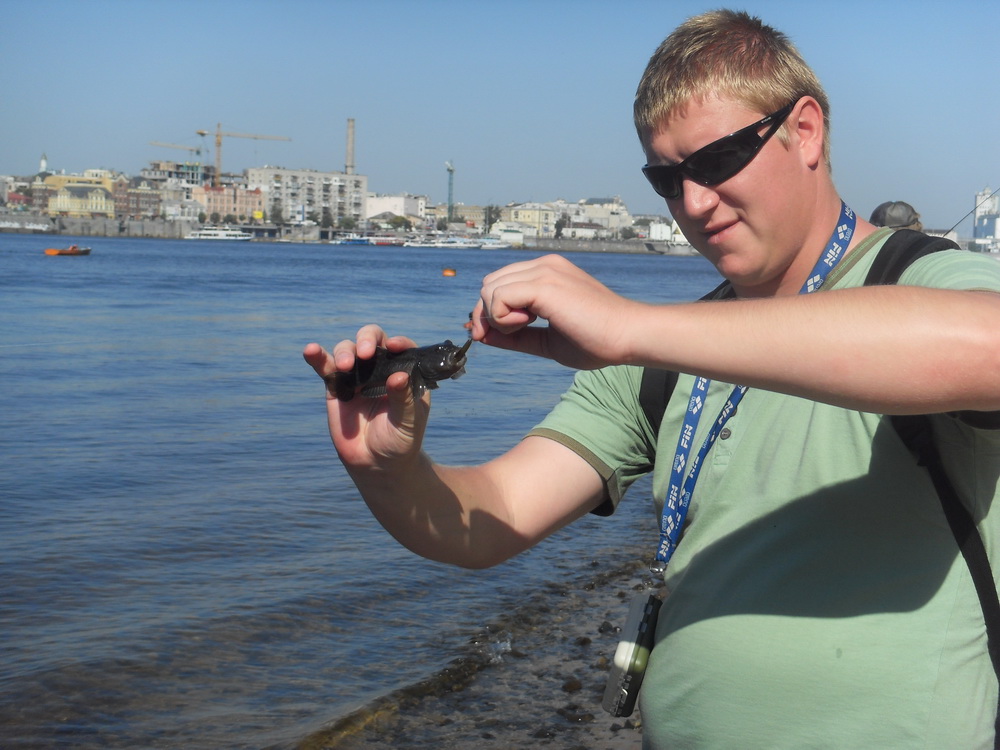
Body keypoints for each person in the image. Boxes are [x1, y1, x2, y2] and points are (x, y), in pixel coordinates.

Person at [304, 9, 1000, 748]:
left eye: (718, 160)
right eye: (667, 178)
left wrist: (630, 327)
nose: (693, 203)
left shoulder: (916, 277)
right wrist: (390, 472)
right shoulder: (665, 353)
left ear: (805, 132)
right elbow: (490, 519)